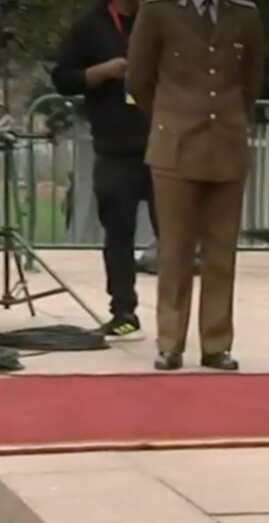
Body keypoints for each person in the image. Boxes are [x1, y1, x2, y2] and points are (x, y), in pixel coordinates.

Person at [126, 0, 264, 371]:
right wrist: (169, 117)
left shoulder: (244, 14)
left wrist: (231, 119)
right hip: (175, 145)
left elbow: (251, 80)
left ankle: (216, 344)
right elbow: (138, 78)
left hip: (227, 143)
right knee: (175, 250)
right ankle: (170, 342)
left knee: (221, 252)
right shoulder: (158, 10)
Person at [51, 0, 157, 341]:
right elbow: (63, 79)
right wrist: (101, 72)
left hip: (163, 146)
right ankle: (123, 312)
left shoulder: (161, 18)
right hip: (114, 147)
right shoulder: (90, 25)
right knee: (118, 235)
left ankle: (176, 318)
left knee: (174, 238)